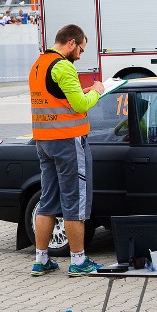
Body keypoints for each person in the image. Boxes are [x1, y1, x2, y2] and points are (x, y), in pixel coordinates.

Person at [29, 24, 105, 277]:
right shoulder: (63, 66)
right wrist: (96, 92)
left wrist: (79, 93)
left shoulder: (39, 64)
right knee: (75, 200)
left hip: (44, 141)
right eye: (81, 49)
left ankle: (41, 260)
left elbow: (56, 99)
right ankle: (79, 261)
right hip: (68, 141)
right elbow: (81, 104)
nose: (80, 55)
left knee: (47, 200)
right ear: (71, 43)